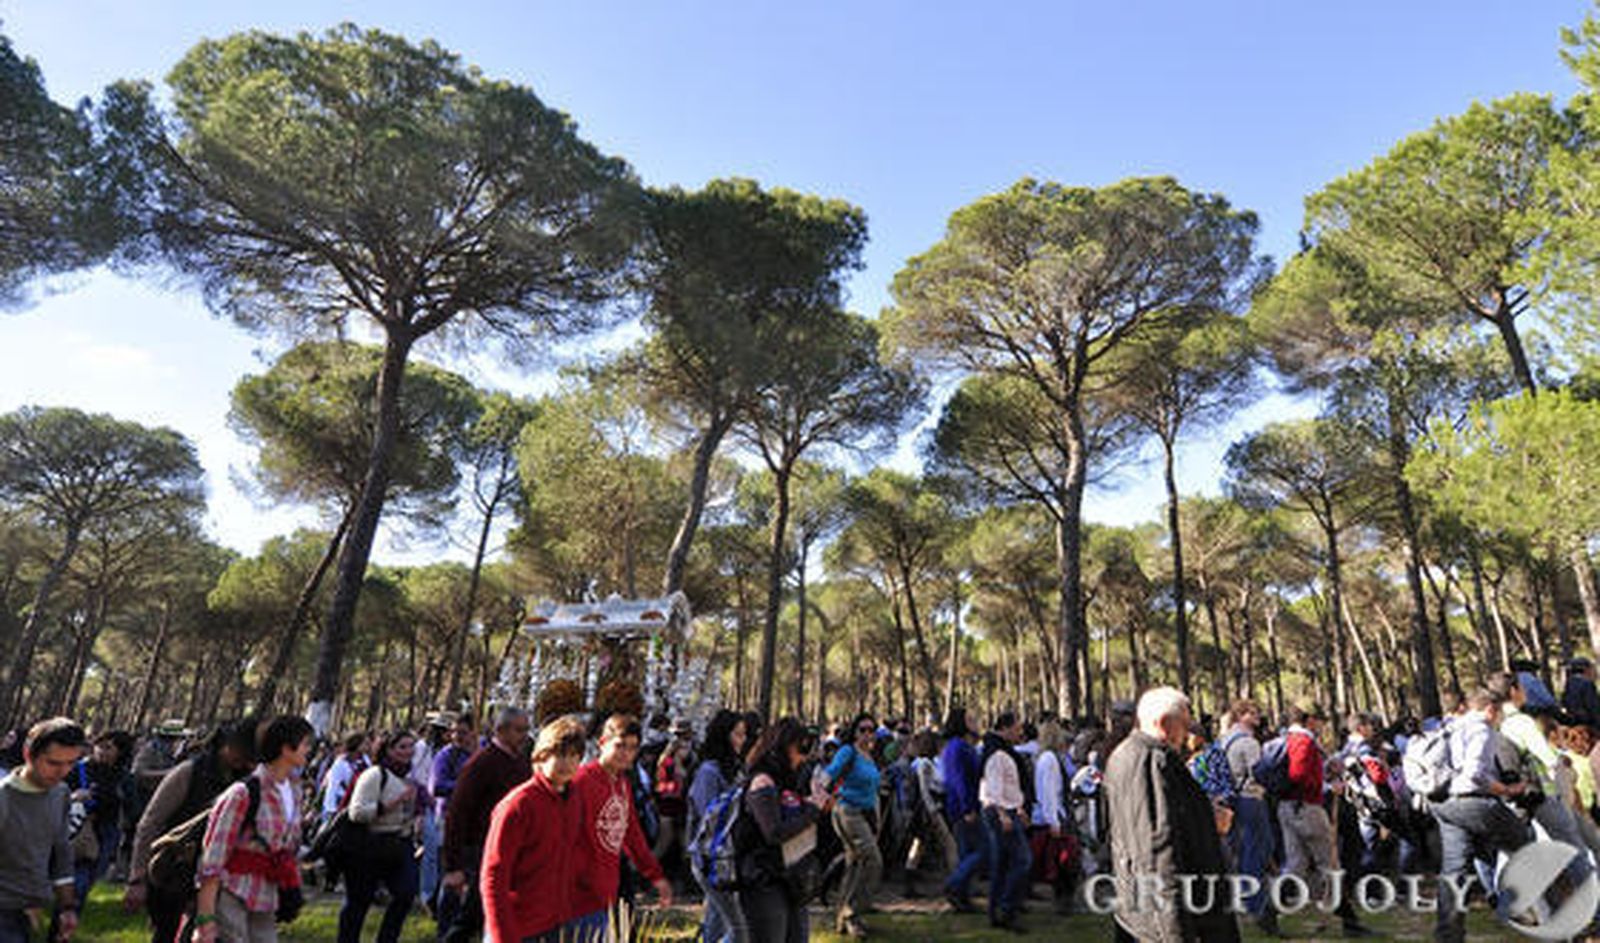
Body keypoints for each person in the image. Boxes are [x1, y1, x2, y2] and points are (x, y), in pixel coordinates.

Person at [1104, 688, 1239, 943]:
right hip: (1165, 912)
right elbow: (1156, 852)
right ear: (1163, 723)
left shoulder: (1132, 756)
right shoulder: (1150, 762)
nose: (1187, 733)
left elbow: (1169, 818)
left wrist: (1206, 818)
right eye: (1184, 724)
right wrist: (1173, 930)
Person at [127, 718, 259, 943]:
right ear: (223, 744)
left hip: (213, 877)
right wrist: (137, 878)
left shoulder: (247, 783)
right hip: (174, 872)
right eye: (240, 749)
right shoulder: (189, 772)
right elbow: (150, 823)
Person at [192, 715, 312, 943]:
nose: (309, 750)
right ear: (286, 748)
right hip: (233, 895)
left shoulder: (295, 791)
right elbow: (212, 860)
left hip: (266, 899)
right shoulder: (243, 793)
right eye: (305, 743)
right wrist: (205, 920)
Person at [1433, 688, 1535, 943]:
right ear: (1491, 709)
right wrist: (1508, 790)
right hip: (1473, 802)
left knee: (1454, 870)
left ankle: (1448, 935)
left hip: (1444, 803)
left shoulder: (1451, 727)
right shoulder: (1481, 729)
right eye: (1499, 713)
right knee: (1527, 848)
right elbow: (1475, 775)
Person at [480, 714, 588, 943]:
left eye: (574, 756)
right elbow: (493, 876)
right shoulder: (518, 804)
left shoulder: (574, 800)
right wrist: (502, 935)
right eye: (560, 755)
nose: (567, 763)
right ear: (541, 756)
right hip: (516, 927)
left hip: (557, 924)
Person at [567, 714, 672, 938]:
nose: (626, 753)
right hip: (578, 896)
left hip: (607, 892)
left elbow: (632, 834)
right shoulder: (581, 781)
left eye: (632, 748)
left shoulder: (623, 784)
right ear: (602, 743)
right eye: (620, 746)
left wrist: (655, 875)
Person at [439, 707, 531, 943]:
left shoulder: (522, 763)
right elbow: (457, 813)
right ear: (501, 730)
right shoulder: (481, 763)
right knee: (469, 919)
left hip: (509, 851)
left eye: (526, 730)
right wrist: (453, 866)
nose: (525, 736)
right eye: (519, 730)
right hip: (478, 851)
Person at [733, 718, 824, 943]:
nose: (805, 756)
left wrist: (815, 805)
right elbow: (773, 832)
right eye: (802, 748)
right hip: (763, 878)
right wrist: (812, 811)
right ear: (785, 745)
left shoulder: (790, 779)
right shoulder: (762, 781)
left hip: (790, 876)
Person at [0, 718, 85, 943]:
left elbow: (61, 852)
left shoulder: (61, 793)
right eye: (53, 763)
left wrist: (67, 907)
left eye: (71, 763)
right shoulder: (4, 797)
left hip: (29, 912)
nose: (63, 771)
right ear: (28, 754)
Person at [339, 730, 424, 943]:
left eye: (411, 747)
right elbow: (357, 812)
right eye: (402, 747)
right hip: (369, 846)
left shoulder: (410, 778)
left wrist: (417, 817)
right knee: (358, 903)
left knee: (406, 893)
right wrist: (392, 803)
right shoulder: (375, 775)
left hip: (399, 844)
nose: (408, 751)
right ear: (388, 750)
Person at [821, 712, 882, 939]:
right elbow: (828, 774)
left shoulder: (869, 755)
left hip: (864, 814)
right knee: (873, 861)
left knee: (854, 864)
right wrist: (819, 797)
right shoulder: (848, 751)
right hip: (847, 812)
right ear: (854, 732)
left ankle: (843, 918)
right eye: (862, 729)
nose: (867, 734)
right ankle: (852, 912)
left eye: (871, 730)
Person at [689, 709, 748, 943]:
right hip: (709, 859)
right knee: (739, 931)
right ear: (724, 735)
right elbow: (709, 817)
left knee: (716, 926)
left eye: (744, 734)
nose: (742, 740)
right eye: (738, 734)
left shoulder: (735, 768)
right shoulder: (708, 772)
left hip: (727, 860)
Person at [1220, 700, 1274, 934]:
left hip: (1232, 799)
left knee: (1241, 851)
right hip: (1251, 798)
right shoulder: (1248, 742)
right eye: (1252, 713)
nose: (1258, 717)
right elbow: (1260, 773)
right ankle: (1254, 903)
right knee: (1256, 851)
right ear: (1241, 715)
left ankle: (1243, 899)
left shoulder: (1225, 739)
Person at [979, 711, 1032, 933]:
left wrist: (1019, 809)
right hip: (1000, 811)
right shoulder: (997, 754)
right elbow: (993, 788)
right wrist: (1003, 813)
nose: (1020, 733)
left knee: (1002, 864)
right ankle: (1006, 908)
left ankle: (997, 911)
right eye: (1017, 728)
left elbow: (1010, 785)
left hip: (1008, 809)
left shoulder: (1002, 751)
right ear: (1006, 728)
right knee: (1022, 860)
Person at [69, 731, 133, 906]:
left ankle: (71, 910)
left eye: (108, 748)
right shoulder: (78, 769)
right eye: (99, 746)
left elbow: (133, 808)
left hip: (107, 831)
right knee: (76, 876)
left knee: (90, 876)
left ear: (120, 752)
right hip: (75, 827)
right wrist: (74, 797)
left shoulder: (124, 777)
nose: (101, 751)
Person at [939, 707, 983, 914]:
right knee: (983, 851)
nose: (975, 722)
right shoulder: (958, 747)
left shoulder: (958, 746)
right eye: (970, 719)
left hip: (963, 805)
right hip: (963, 807)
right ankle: (954, 884)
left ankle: (962, 897)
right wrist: (967, 807)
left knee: (967, 853)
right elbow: (959, 780)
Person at [1029, 720, 1074, 915]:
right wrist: (1054, 821)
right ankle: (1063, 902)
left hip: (1052, 815)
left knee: (1058, 862)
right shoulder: (1049, 760)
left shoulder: (1048, 758)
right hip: (1053, 816)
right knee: (1061, 862)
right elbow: (1048, 792)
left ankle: (1064, 900)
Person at [1564, 657, 1600, 729]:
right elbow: (1592, 706)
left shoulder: (1569, 683)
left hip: (1575, 723)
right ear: (1586, 669)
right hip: (1589, 723)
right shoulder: (1587, 683)